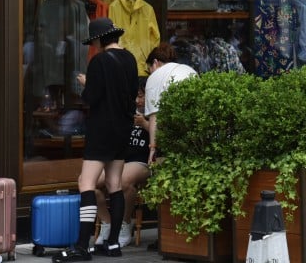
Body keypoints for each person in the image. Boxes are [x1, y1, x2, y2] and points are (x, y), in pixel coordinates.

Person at [53, 18, 139, 261]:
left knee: (86, 182)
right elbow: (133, 93)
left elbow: (91, 97)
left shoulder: (98, 61)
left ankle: (81, 245)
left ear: (100, 40)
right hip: (123, 129)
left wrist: (85, 83)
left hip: (102, 129)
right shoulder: (130, 59)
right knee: (115, 184)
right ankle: (113, 243)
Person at [94, 78, 151, 249]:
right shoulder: (127, 111)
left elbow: (165, 139)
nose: (138, 101)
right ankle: (109, 223)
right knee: (89, 183)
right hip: (120, 159)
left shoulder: (155, 113)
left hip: (143, 161)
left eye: (141, 96)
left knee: (124, 181)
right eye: (135, 97)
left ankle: (125, 225)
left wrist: (145, 124)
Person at [144, 43, 198, 166]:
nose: (150, 73)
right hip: (195, 134)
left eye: (149, 69)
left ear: (155, 62)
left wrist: (153, 149)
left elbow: (154, 117)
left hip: (173, 134)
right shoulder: (188, 69)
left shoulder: (155, 77)